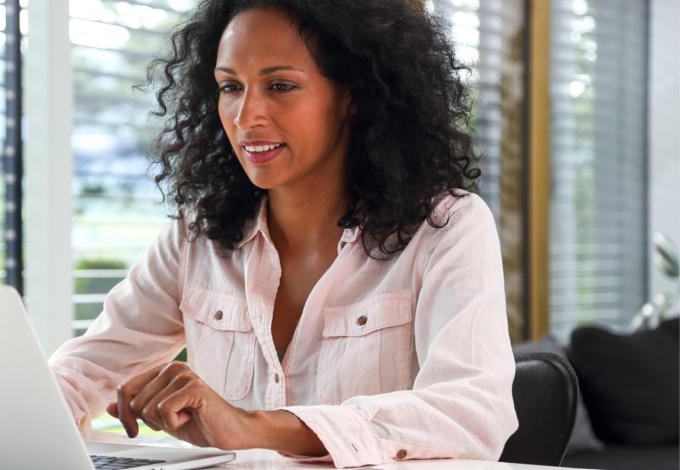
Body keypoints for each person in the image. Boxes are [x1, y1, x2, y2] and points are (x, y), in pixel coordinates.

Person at [49, 0, 519, 467]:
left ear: (353, 94)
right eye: (230, 87)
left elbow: (472, 414)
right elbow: (83, 371)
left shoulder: (445, 227)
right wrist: (19, 416)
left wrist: (254, 425)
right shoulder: (198, 235)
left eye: (280, 85)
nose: (245, 115)